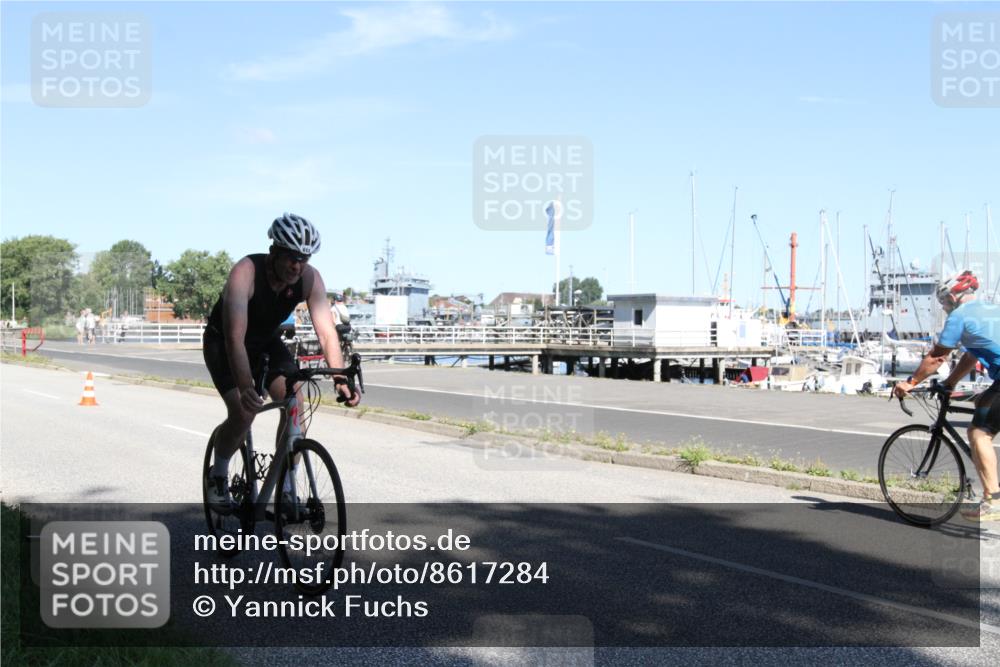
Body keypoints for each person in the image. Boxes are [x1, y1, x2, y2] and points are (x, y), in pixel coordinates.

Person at [202, 213, 360, 508]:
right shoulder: (245, 273)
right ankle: (218, 475)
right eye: (290, 257)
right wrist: (246, 386)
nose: (297, 266)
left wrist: (340, 378)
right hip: (224, 342)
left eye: (303, 258)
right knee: (243, 411)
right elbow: (235, 338)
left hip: (264, 341)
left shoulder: (310, 280)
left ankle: (286, 489)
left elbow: (327, 333)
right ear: (274, 252)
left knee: (295, 406)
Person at [893, 270, 1000, 521]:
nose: (943, 306)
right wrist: (950, 382)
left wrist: (910, 382)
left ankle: (993, 501)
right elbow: (972, 355)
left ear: (954, 296)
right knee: (982, 402)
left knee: (978, 433)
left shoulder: (959, 317)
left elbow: (936, 357)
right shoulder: (991, 310)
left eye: (943, 301)